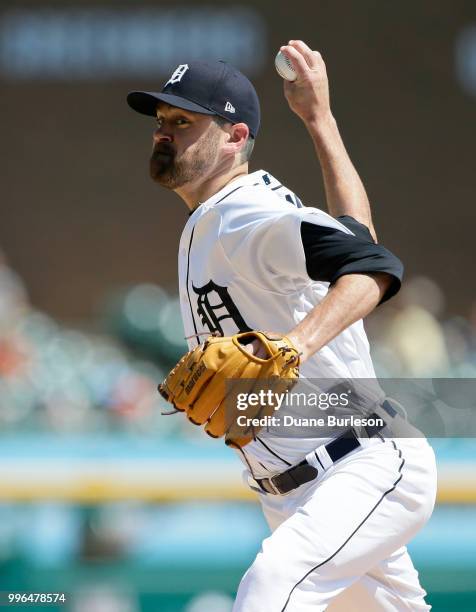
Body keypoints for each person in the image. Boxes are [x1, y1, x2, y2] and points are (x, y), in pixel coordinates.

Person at [127, 41, 437, 611]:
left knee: (270, 590)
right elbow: (357, 237)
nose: (164, 132)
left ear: (235, 137)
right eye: (162, 120)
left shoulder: (242, 213)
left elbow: (376, 267)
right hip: (303, 488)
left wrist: (293, 346)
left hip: (360, 464)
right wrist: (320, 121)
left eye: (184, 121)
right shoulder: (219, 216)